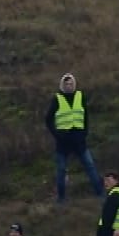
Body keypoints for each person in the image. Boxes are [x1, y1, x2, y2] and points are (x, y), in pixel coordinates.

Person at [44, 72, 103, 205]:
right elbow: (48, 119)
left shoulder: (80, 96)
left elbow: (86, 116)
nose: (69, 86)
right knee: (61, 170)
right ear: (62, 85)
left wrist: (84, 133)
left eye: (71, 84)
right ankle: (61, 198)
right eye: (66, 84)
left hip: (79, 139)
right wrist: (57, 134)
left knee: (90, 166)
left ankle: (100, 193)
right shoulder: (57, 98)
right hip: (63, 141)